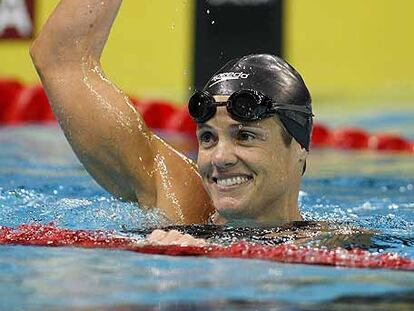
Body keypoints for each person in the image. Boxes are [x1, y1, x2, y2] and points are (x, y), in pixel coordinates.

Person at [30, 0, 316, 245]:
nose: (220, 157)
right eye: (208, 138)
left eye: (244, 136)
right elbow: (60, 57)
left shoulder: (337, 244)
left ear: (299, 147)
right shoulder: (184, 205)